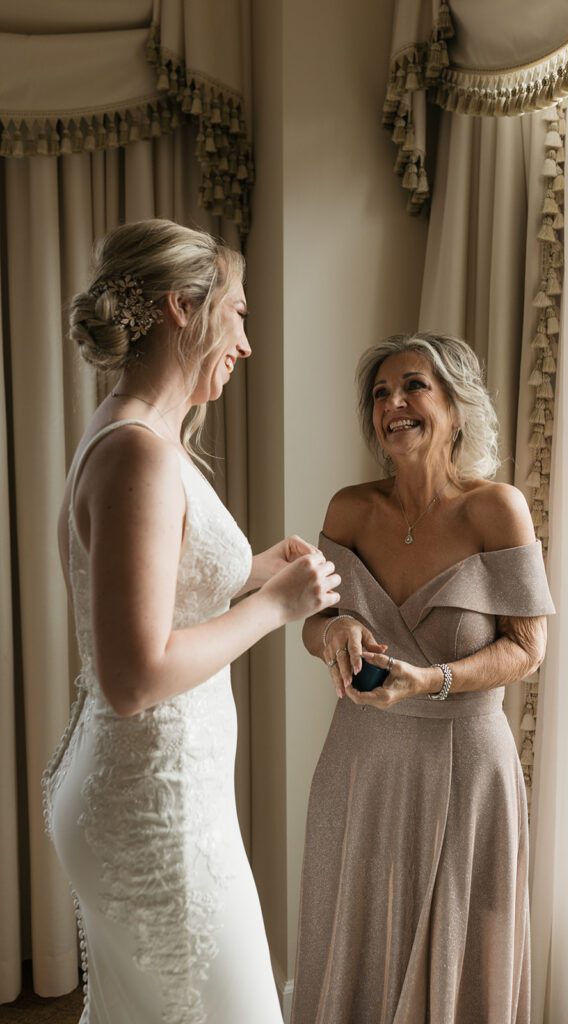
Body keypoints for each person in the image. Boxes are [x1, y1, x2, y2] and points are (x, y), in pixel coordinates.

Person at [42, 219, 340, 1024]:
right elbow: (134, 675)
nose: (245, 342)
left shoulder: (136, 432)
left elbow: (155, 583)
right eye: (237, 313)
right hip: (155, 810)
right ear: (182, 307)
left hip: (162, 793)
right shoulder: (137, 449)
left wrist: (251, 570)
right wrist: (273, 608)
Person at [291, 333, 555, 1024]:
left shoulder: (494, 508)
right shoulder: (348, 508)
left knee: (463, 950)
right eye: (380, 393)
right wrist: (335, 632)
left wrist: (431, 679)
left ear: (457, 406)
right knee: (353, 940)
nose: (393, 404)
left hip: (465, 766)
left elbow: (527, 647)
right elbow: (309, 625)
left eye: (413, 386)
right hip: (359, 766)